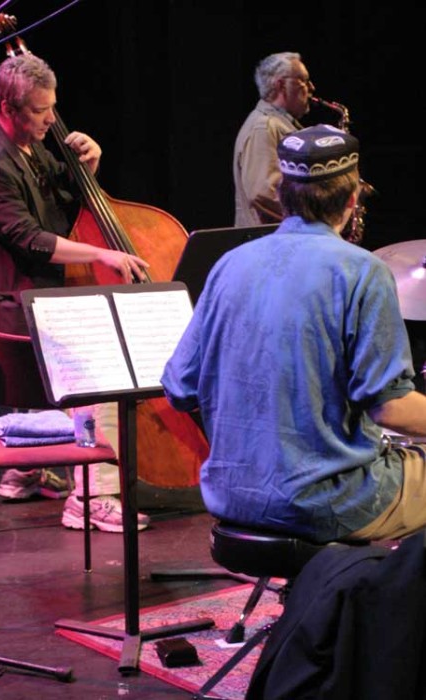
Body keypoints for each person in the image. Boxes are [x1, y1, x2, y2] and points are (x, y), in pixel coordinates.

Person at [161, 123, 426, 544]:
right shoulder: (361, 270)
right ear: (352, 199)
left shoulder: (230, 264)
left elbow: (179, 387)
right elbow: (390, 410)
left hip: (229, 496)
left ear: (283, 195)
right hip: (327, 503)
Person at [0, 53, 150, 532]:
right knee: (99, 377)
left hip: (37, 298)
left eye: (52, 107)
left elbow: (63, 200)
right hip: (12, 308)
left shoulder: (29, 146)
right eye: (40, 111)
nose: (52, 119)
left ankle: (23, 471)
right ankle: (92, 496)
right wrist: (102, 255)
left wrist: (90, 163)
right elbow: (32, 239)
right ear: (7, 107)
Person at [233, 51, 314, 227]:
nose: (311, 88)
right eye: (304, 80)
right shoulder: (264, 127)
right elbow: (263, 192)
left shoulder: (276, 124)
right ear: (281, 85)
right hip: (270, 245)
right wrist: (315, 218)